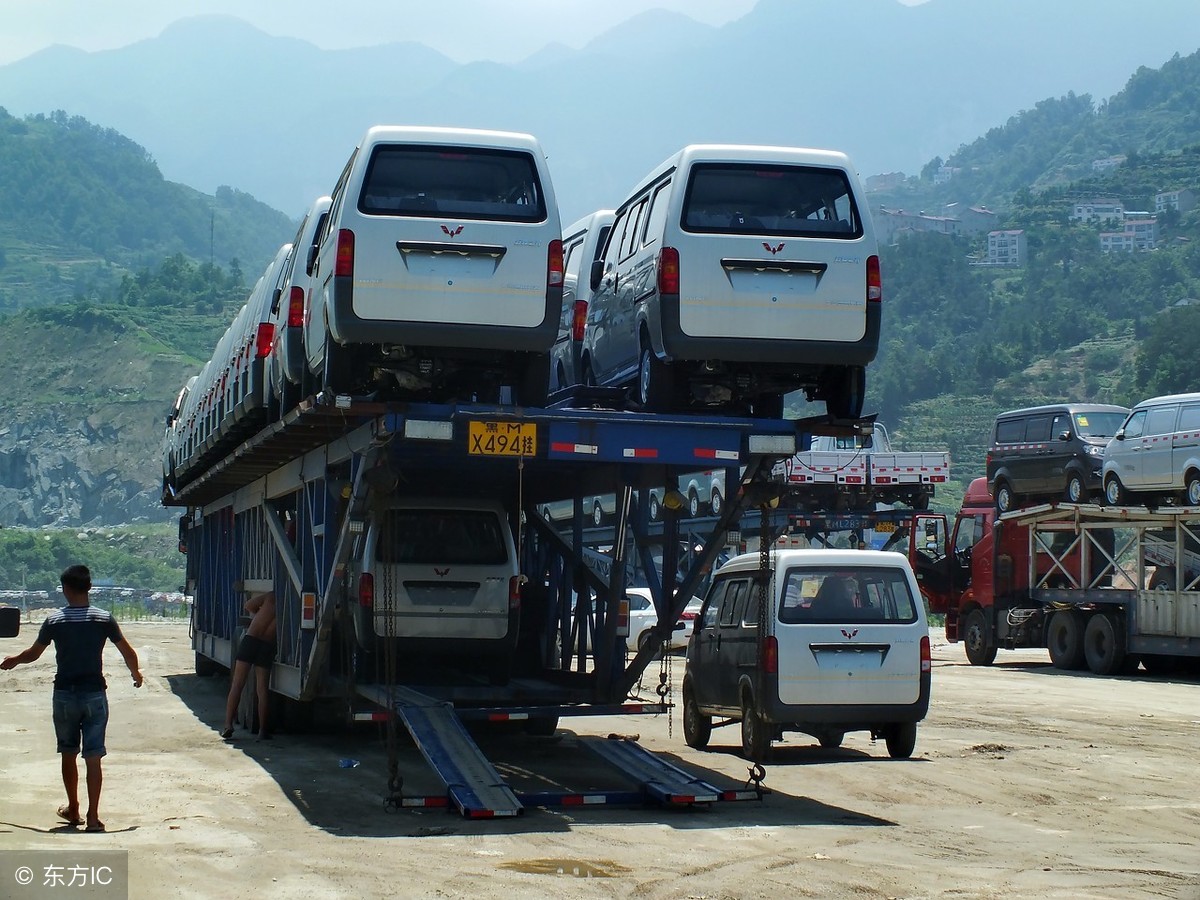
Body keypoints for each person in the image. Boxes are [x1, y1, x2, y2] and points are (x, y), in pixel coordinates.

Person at [1, 564, 142, 833]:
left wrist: (14, 661)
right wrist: (136, 673)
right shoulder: (103, 619)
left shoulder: (55, 620)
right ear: (89, 588)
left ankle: (73, 808)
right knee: (93, 756)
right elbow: (127, 651)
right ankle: (93, 817)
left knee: (68, 752)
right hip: (94, 694)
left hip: (65, 694)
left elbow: (34, 653)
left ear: (65, 589)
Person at [222, 591, 276, 741]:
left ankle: (228, 724)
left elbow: (248, 605)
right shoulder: (292, 604)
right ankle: (262, 731)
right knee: (262, 690)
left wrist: (256, 615)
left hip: (251, 640)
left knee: (237, 684)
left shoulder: (271, 597)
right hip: (267, 645)